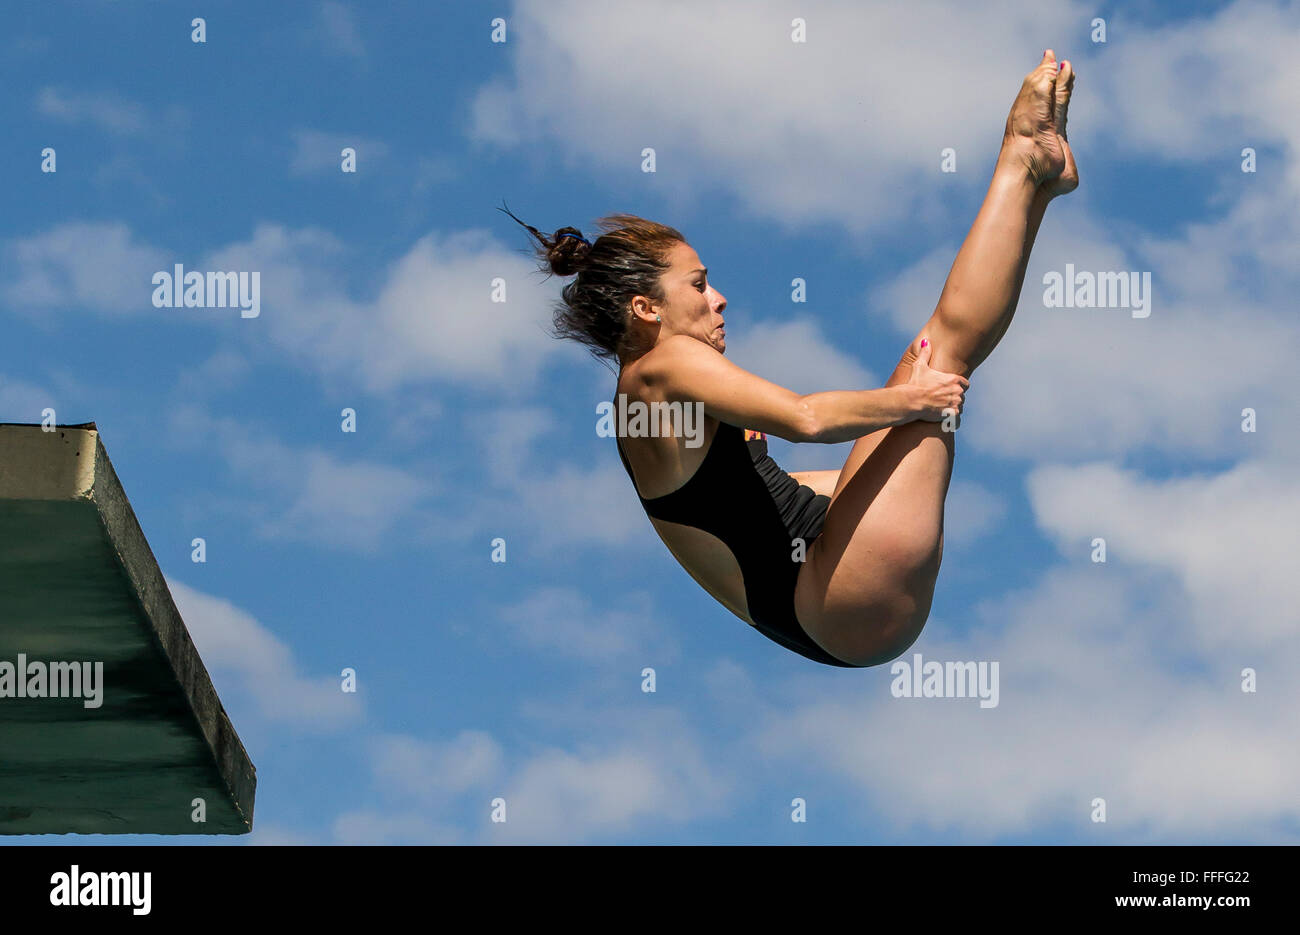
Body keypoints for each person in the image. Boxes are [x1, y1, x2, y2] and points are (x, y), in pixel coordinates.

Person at [502, 50, 1077, 667]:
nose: (719, 300)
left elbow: (756, 496)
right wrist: (911, 403)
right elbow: (805, 419)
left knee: (935, 354)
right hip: (832, 600)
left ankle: (1037, 183)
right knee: (939, 359)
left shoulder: (652, 405)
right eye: (697, 286)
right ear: (646, 309)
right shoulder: (661, 366)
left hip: (835, 597)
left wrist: (888, 485)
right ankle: (1021, 160)